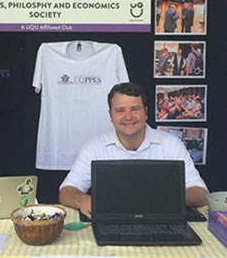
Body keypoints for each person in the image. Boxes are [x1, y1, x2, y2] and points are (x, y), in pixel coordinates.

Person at [58, 82, 208, 218]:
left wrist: (161, 199)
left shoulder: (171, 144)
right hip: (112, 223)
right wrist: (81, 199)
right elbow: (66, 192)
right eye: (120, 110)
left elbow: (200, 194)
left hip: (161, 221)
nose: (128, 116)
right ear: (110, 115)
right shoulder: (94, 148)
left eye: (135, 109)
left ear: (146, 112)